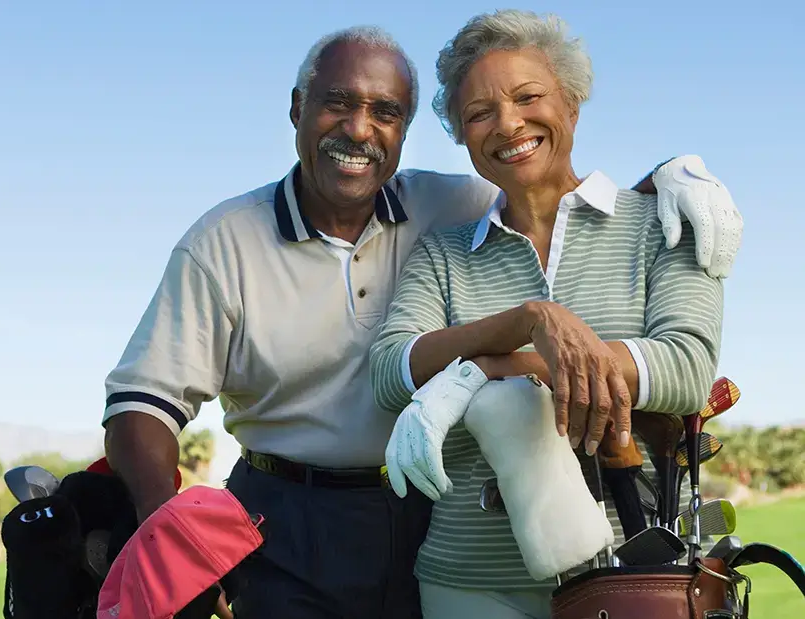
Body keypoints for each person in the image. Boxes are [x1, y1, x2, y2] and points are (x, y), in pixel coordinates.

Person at [101, 24, 742, 619]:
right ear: (297, 107)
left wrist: (676, 172)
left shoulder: (447, 205)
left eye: (385, 112)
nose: (359, 129)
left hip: (417, 506)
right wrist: (164, 528)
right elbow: (145, 401)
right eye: (336, 103)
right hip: (287, 515)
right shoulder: (228, 240)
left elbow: (563, 198)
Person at [369, 10, 729, 619]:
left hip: (637, 576)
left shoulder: (663, 225)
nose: (508, 123)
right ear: (461, 133)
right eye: (479, 113)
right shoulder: (443, 251)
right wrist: (529, 320)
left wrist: (479, 371)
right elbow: (390, 372)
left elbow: (685, 366)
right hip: (469, 579)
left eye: (528, 96)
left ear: (573, 104)